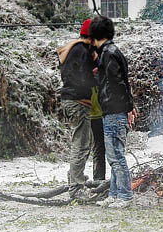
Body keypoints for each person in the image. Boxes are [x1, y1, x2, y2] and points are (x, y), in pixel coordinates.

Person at [89, 15, 137, 209]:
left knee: (116, 157)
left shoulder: (108, 53)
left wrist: (126, 108)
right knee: (113, 156)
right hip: (114, 111)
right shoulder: (111, 52)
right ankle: (114, 194)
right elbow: (122, 81)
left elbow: (117, 84)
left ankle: (125, 196)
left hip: (114, 112)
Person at [57, 19, 98, 199]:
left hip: (71, 100)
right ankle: (76, 187)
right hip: (78, 101)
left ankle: (74, 178)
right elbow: (83, 78)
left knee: (81, 143)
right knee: (81, 145)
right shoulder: (83, 51)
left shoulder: (72, 49)